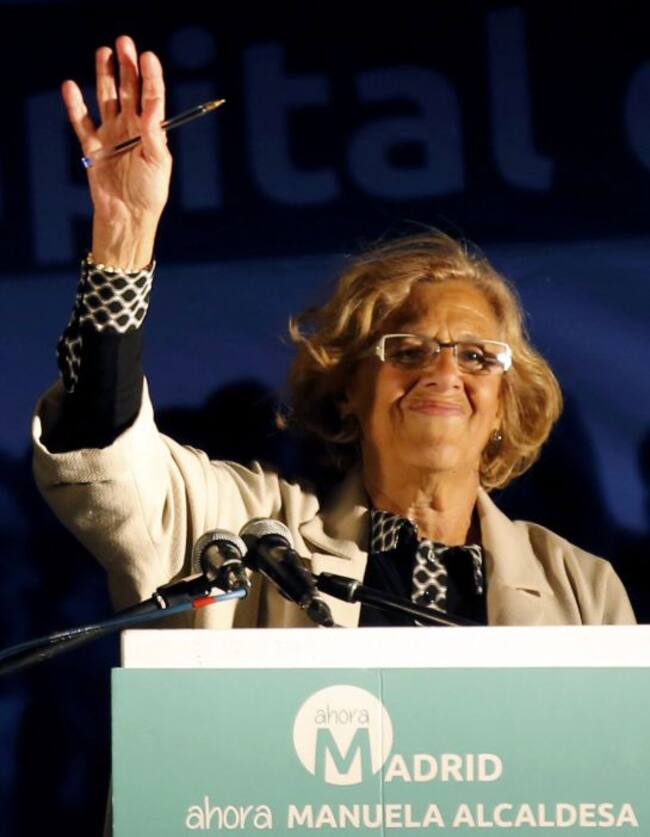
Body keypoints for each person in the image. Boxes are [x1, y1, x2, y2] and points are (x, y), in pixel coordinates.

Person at [32, 35, 635, 629]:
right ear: (348, 386)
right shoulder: (250, 535)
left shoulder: (580, 590)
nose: (444, 371)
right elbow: (109, 463)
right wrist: (125, 234)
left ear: (505, 405)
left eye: (477, 356)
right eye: (408, 349)